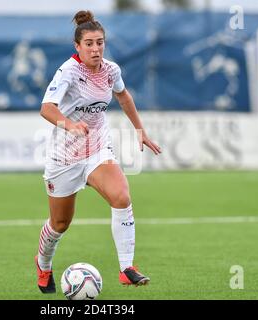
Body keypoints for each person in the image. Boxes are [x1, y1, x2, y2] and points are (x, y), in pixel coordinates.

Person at [35, 10, 162, 294]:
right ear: (77, 46)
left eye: (100, 42)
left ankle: (126, 268)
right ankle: (43, 264)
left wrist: (139, 130)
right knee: (59, 224)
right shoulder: (68, 72)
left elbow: (123, 95)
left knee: (121, 196)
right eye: (89, 43)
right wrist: (69, 125)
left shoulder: (110, 70)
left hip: (97, 150)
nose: (96, 49)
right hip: (64, 157)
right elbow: (46, 108)